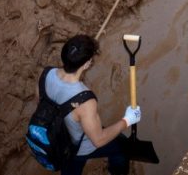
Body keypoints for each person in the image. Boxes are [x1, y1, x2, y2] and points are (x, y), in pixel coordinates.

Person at [44, 35, 141, 175]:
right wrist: (127, 120)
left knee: (70, 169)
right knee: (121, 146)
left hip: (59, 140)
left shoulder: (46, 74)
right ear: (87, 64)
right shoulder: (85, 100)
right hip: (79, 147)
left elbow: (45, 104)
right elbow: (98, 140)